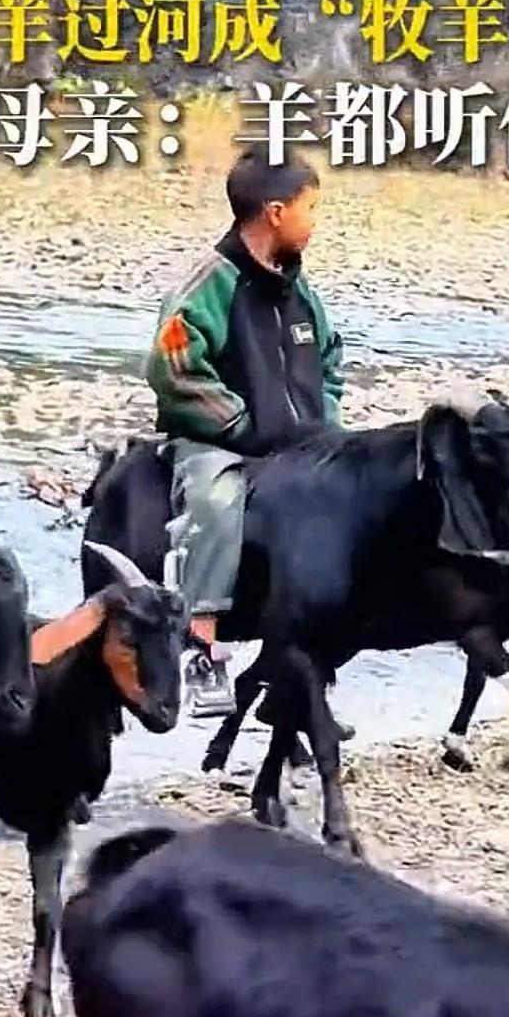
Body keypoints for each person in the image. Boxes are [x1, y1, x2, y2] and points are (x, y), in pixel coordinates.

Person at [146, 149, 344, 715]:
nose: (316, 221)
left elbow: (331, 359)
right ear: (276, 213)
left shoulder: (302, 292)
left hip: (299, 445)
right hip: (216, 444)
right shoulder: (207, 285)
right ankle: (202, 646)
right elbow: (173, 367)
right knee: (216, 500)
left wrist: (325, 425)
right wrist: (238, 424)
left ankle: (308, 663)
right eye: (311, 208)